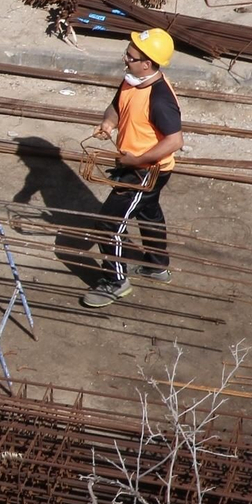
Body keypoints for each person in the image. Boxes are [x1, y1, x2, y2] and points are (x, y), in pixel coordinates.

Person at [82, 28, 184, 308]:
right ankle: (156, 265)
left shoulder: (159, 98)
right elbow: (117, 106)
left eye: (130, 55)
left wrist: (136, 161)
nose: (125, 58)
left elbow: (175, 140)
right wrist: (108, 123)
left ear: (147, 63)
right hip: (137, 167)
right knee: (149, 214)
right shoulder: (132, 80)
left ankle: (116, 282)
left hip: (145, 172)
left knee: (108, 224)